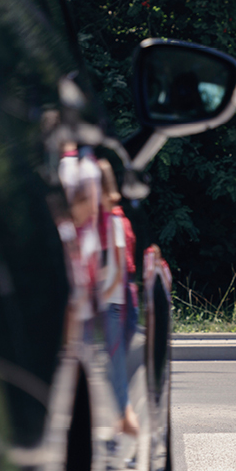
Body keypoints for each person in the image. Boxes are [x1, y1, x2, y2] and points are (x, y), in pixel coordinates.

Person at [96, 161, 140, 441]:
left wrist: (99, 293)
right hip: (122, 303)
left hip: (114, 304)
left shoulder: (111, 221)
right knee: (115, 370)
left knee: (115, 371)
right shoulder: (117, 218)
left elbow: (119, 267)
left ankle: (128, 425)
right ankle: (123, 425)